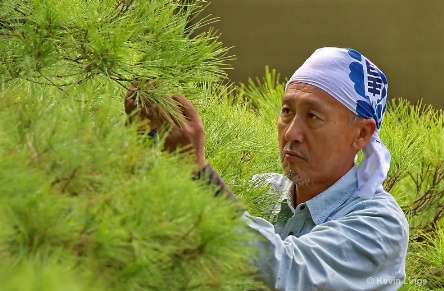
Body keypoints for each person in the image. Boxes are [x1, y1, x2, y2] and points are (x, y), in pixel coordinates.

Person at [124, 47, 409, 290]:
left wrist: (195, 167)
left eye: (312, 116)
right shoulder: (264, 190)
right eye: (287, 111)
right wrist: (149, 139)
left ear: (361, 134)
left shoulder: (380, 223)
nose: (291, 133)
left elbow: (288, 274)